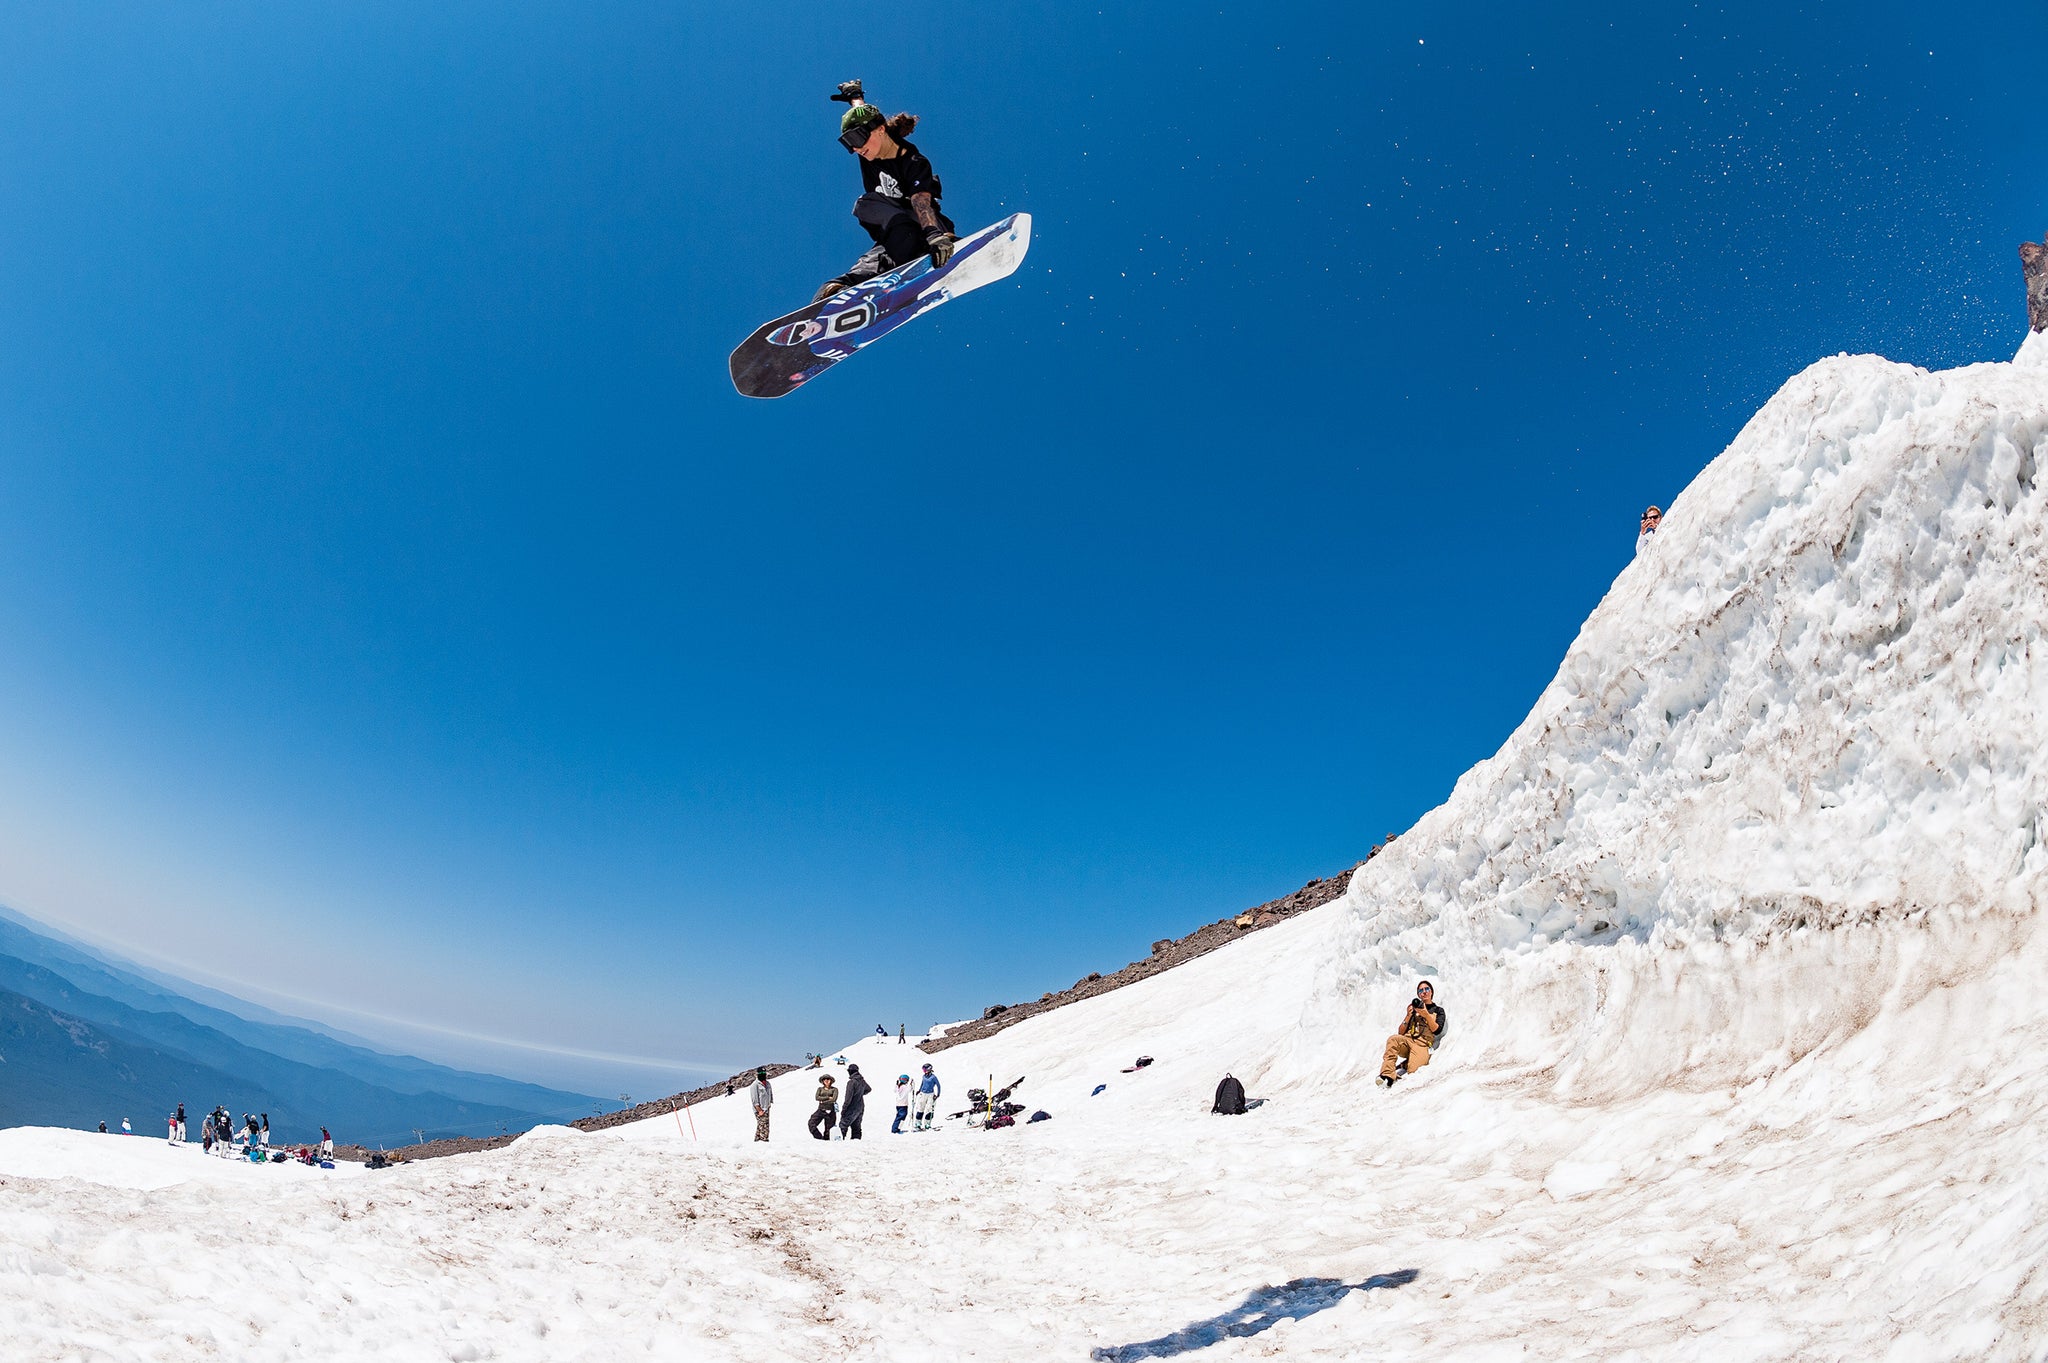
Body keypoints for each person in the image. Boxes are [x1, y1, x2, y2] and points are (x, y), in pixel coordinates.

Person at [812, 81, 958, 304]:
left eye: (857, 139)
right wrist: (855, 95)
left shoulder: (913, 161)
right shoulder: (867, 151)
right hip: (892, 227)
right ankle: (843, 291)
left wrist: (934, 235)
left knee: (904, 227)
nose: (856, 149)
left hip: (923, 223)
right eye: (848, 143)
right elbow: (859, 112)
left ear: (880, 129)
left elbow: (921, 200)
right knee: (874, 218)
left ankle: (938, 245)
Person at [1378, 981, 1444, 1087]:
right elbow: (1401, 1032)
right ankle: (1387, 1075)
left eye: (1427, 989)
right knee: (1393, 1039)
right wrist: (1408, 1016)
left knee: (1414, 1071)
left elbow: (1437, 1030)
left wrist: (1426, 1014)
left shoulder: (1438, 1010)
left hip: (1422, 1045)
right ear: (1418, 994)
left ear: (1431, 992)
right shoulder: (1413, 1010)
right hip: (1408, 1041)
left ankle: (1407, 1063)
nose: (1424, 992)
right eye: (1421, 990)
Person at [839, 1064, 872, 1141]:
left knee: (843, 1126)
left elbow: (848, 1098)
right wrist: (860, 1094)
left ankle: (839, 1145)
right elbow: (869, 1089)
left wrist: (844, 1110)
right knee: (856, 1127)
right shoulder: (862, 1081)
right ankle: (856, 1145)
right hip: (860, 1107)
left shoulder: (851, 1082)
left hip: (851, 1107)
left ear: (850, 1072)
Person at [808, 1074, 839, 1141]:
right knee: (811, 1123)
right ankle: (819, 1138)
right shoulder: (820, 1089)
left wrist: (822, 1100)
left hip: (831, 1111)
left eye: (828, 1079)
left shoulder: (834, 1089)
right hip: (821, 1110)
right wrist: (828, 1097)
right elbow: (817, 1097)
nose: (826, 1081)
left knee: (828, 1130)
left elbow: (834, 1099)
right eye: (825, 1079)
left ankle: (827, 1143)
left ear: (831, 1081)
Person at [913, 1063, 941, 1131]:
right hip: (923, 1094)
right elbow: (922, 1083)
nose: (924, 1071)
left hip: (930, 1095)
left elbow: (938, 1086)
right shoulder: (924, 1076)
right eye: (923, 1069)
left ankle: (927, 1124)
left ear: (929, 1069)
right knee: (920, 1108)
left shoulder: (933, 1077)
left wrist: (938, 1095)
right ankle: (918, 1124)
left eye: (925, 1069)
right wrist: (919, 1090)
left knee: (929, 1109)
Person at [751, 1067, 774, 1142]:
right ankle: (764, 1141)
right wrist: (759, 1110)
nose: (763, 1075)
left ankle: (757, 1140)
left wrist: (770, 1102)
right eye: (761, 1073)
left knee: (762, 1125)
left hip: (766, 1108)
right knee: (764, 1127)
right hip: (760, 1109)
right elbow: (754, 1099)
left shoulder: (767, 1083)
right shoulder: (755, 1085)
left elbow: (770, 1093)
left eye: (764, 1073)